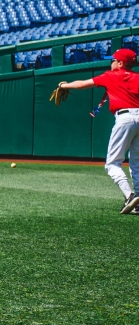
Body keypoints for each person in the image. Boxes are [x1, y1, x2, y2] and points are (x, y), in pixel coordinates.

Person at [56, 47, 139, 213]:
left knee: (112, 163)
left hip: (125, 118)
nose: (111, 62)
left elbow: (81, 85)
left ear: (121, 63)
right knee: (137, 163)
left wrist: (65, 85)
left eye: (113, 60)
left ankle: (129, 196)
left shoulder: (111, 76)